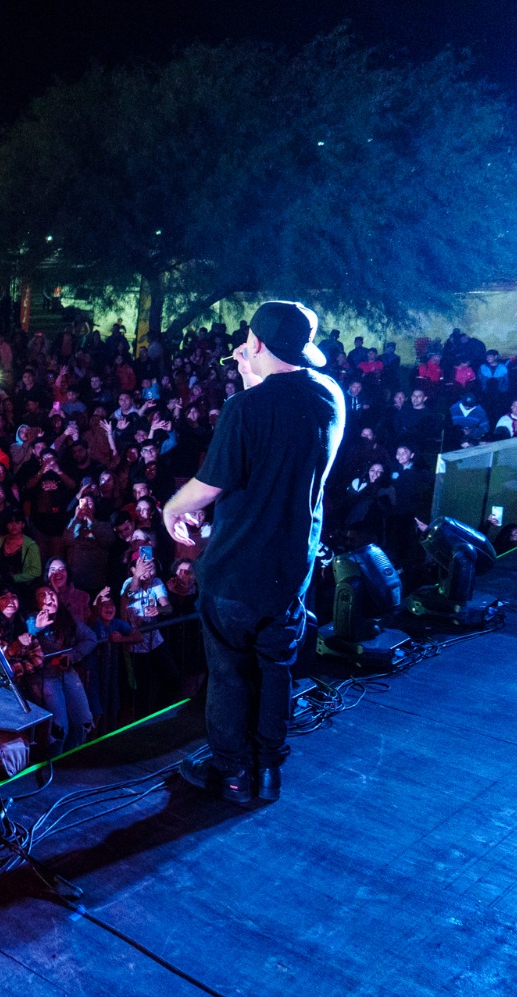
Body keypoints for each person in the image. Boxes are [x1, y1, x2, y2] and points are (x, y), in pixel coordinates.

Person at [162, 301, 344, 804]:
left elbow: (210, 484)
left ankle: (233, 774)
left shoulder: (246, 410)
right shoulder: (330, 396)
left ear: (256, 343)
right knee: (275, 668)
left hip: (237, 569)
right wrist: (253, 382)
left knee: (229, 673)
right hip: (292, 565)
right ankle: (267, 772)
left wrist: (170, 509)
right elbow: (277, 445)